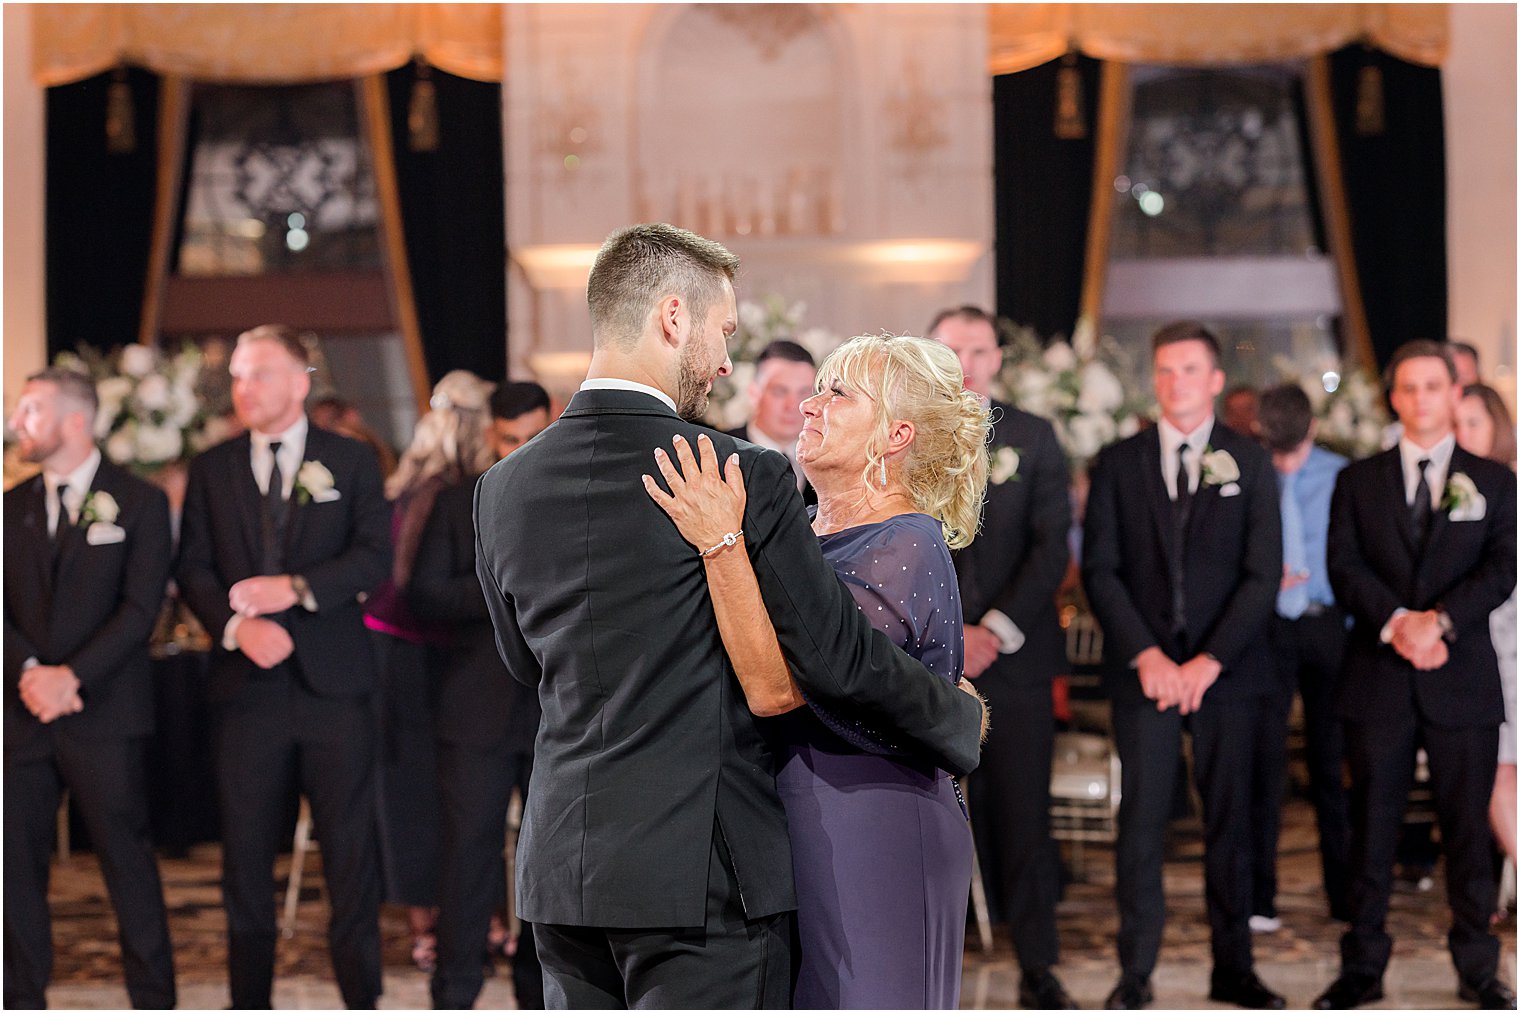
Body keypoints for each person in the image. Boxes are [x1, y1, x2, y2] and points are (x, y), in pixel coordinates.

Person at [472, 223, 985, 1009]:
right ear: (674, 317)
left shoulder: (501, 488)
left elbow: (524, 663)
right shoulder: (738, 472)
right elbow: (832, 659)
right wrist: (953, 714)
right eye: (723, 331)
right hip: (702, 874)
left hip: (563, 869)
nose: (723, 361)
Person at [647, 333, 989, 1008]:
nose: (811, 404)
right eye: (817, 388)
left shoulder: (906, 542)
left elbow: (780, 685)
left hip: (878, 827)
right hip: (789, 818)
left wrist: (721, 542)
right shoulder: (800, 529)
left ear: (896, 434)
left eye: (839, 393)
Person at [177, 323, 392, 1009]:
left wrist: (294, 589)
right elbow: (194, 568)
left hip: (336, 689)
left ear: (301, 381)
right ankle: (250, 1002)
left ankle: (362, 997)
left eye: (259, 373)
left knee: (350, 858)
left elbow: (372, 558)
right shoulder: (212, 467)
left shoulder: (351, 461)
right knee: (244, 861)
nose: (244, 387)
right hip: (247, 693)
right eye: (237, 375)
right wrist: (239, 626)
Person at [1082, 320, 1284, 1010]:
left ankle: (1235, 969)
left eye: (1190, 370)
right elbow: (1101, 570)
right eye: (1164, 371)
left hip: (1228, 675)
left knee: (1232, 824)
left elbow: (1262, 575)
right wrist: (1146, 654)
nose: (1176, 383)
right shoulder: (1118, 461)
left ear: (1217, 379)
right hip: (1145, 676)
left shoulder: (1250, 462)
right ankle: (1134, 973)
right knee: (1140, 827)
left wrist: (1206, 662)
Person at [1314, 341, 1516, 1011]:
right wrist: (1400, 620)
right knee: (1373, 828)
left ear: (1455, 394)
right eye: (1410, 388)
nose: (1422, 398)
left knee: (1467, 831)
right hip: (1380, 677)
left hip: (1463, 678)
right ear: (1395, 398)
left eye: (1435, 386)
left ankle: (1478, 967)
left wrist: (1440, 623)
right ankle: (1363, 967)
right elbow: (1343, 567)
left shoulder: (1493, 481)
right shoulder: (1357, 479)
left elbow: (1501, 567)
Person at [4, 368, 177, 1010]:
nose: (17, 423)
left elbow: (140, 611)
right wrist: (29, 674)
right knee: (14, 869)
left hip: (104, 712)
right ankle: (19, 996)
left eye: (30, 411)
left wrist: (70, 677)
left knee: (127, 864)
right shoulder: (10, 506)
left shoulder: (139, 501)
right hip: (21, 713)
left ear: (75, 420)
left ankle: (153, 998)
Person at [927, 305, 1076, 1009]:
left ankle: (1038, 965)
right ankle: (937, 967)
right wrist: (953, 633)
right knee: (939, 817)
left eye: (979, 349)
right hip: (930, 660)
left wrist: (995, 626)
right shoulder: (907, 435)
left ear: (996, 358)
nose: (966, 362)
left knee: (1024, 815)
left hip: (1014, 658)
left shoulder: (1035, 437)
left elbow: (1052, 546)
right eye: (952, 349)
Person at [411, 380, 551, 1010]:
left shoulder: (574, 495)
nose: (521, 450)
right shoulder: (454, 501)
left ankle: (542, 993)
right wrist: (506, 595)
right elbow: (424, 593)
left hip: (558, 708)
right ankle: (454, 993)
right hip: (475, 708)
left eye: (532, 438)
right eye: (509, 440)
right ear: (490, 436)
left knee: (551, 863)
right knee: (466, 861)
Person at [366, 370, 498, 973]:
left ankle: (432, 920)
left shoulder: (405, 480)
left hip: (386, 646)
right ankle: (449, 921)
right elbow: (416, 587)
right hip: (428, 652)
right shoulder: (459, 489)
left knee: (413, 791)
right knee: (437, 792)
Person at [1252, 384, 1351, 927]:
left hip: (1327, 625)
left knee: (1330, 764)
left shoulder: (1342, 474)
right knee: (1265, 765)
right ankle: (1259, 900)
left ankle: (1343, 893)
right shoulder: (1251, 472)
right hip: (1268, 627)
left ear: (1312, 428)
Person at [1454, 384, 1517, 906]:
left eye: (1474, 423)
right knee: (1495, 768)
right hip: (1482, 648)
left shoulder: (1509, 487)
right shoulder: (1445, 490)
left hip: (1514, 638)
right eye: (1457, 424)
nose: (1463, 435)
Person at [723, 339, 818, 507]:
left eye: (803, 393)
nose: (793, 406)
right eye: (780, 392)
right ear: (754, 393)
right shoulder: (722, 451)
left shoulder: (824, 459)